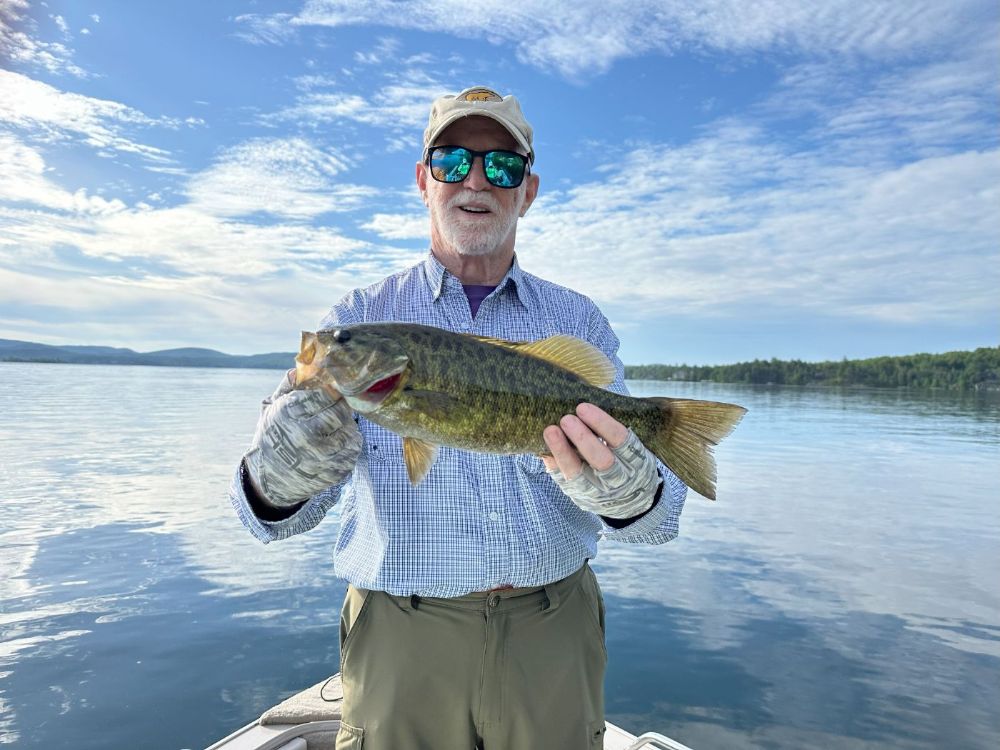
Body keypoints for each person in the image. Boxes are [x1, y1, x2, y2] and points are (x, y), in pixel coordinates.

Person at [230, 86, 688, 750]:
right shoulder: (352, 320)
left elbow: (660, 523)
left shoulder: (577, 321)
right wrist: (280, 473)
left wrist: (628, 492)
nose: (476, 180)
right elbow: (268, 520)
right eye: (451, 161)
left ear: (527, 190)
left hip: (552, 632)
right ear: (424, 180)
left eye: (501, 166)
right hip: (399, 637)